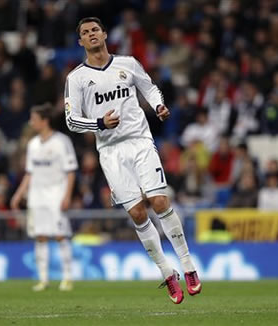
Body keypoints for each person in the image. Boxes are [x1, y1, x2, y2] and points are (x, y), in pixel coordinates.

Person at [64, 17, 201, 304]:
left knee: (160, 202)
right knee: (138, 213)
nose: (91, 35)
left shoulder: (128, 63)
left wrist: (159, 105)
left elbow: (149, 87)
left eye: (94, 30)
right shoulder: (76, 78)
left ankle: (187, 266)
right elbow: (71, 120)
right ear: (80, 42)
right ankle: (167, 272)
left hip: (140, 141)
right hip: (111, 151)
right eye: (85, 33)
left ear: (103, 34)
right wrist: (99, 123)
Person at [11, 104, 77, 292]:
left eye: (34, 119)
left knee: (60, 235)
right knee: (40, 236)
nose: (31, 122)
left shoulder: (61, 141)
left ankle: (67, 277)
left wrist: (67, 195)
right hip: (36, 195)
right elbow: (29, 173)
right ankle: (43, 279)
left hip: (56, 193)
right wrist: (18, 194)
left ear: (44, 121)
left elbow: (71, 171)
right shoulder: (32, 145)